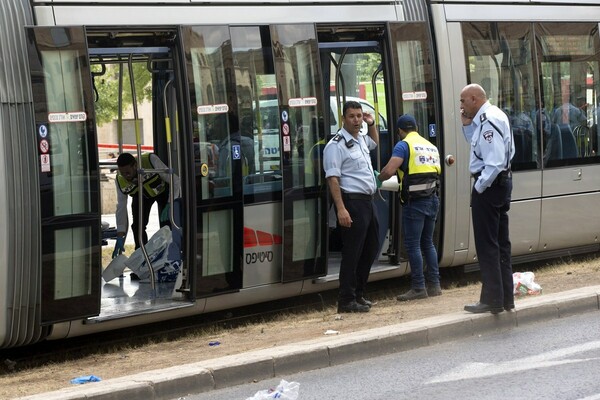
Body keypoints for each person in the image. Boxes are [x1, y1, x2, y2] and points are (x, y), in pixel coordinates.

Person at [459, 83, 515, 314]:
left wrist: (480, 186)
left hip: (490, 185)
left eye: (463, 101)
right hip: (501, 184)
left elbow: (494, 161)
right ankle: (505, 297)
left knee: (487, 245)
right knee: (501, 244)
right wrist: (466, 125)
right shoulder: (492, 116)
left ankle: (492, 299)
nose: (461, 106)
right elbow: (477, 144)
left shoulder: (488, 120)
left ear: (474, 99)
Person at [376, 114, 442, 301]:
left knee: (413, 245)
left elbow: (389, 170)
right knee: (427, 243)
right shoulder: (430, 146)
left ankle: (419, 287)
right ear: (416, 128)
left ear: (399, 131)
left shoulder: (403, 145)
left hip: (415, 202)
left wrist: (377, 179)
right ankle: (435, 285)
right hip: (432, 199)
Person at [323, 100, 379, 313]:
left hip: (367, 201)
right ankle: (346, 300)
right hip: (352, 202)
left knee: (370, 248)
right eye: (352, 116)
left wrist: (371, 122)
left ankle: (359, 294)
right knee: (352, 253)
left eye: (358, 116)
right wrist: (341, 209)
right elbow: (333, 179)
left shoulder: (360, 140)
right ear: (343, 118)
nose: (356, 120)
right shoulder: (336, 145)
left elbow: (374, 142)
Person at [112, 152, 182, 279]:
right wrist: (120, 235)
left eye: (128, 172)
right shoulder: (120, 180)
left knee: (166, 226)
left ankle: (168, 262)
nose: (125, 176)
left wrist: (171, 203)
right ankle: (141, 263)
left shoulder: (150, 160)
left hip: (162, 192)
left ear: (135, 166)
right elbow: (121, 208)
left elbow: (175, 180)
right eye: (122, 173)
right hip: (140, 196)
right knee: (137, 227)